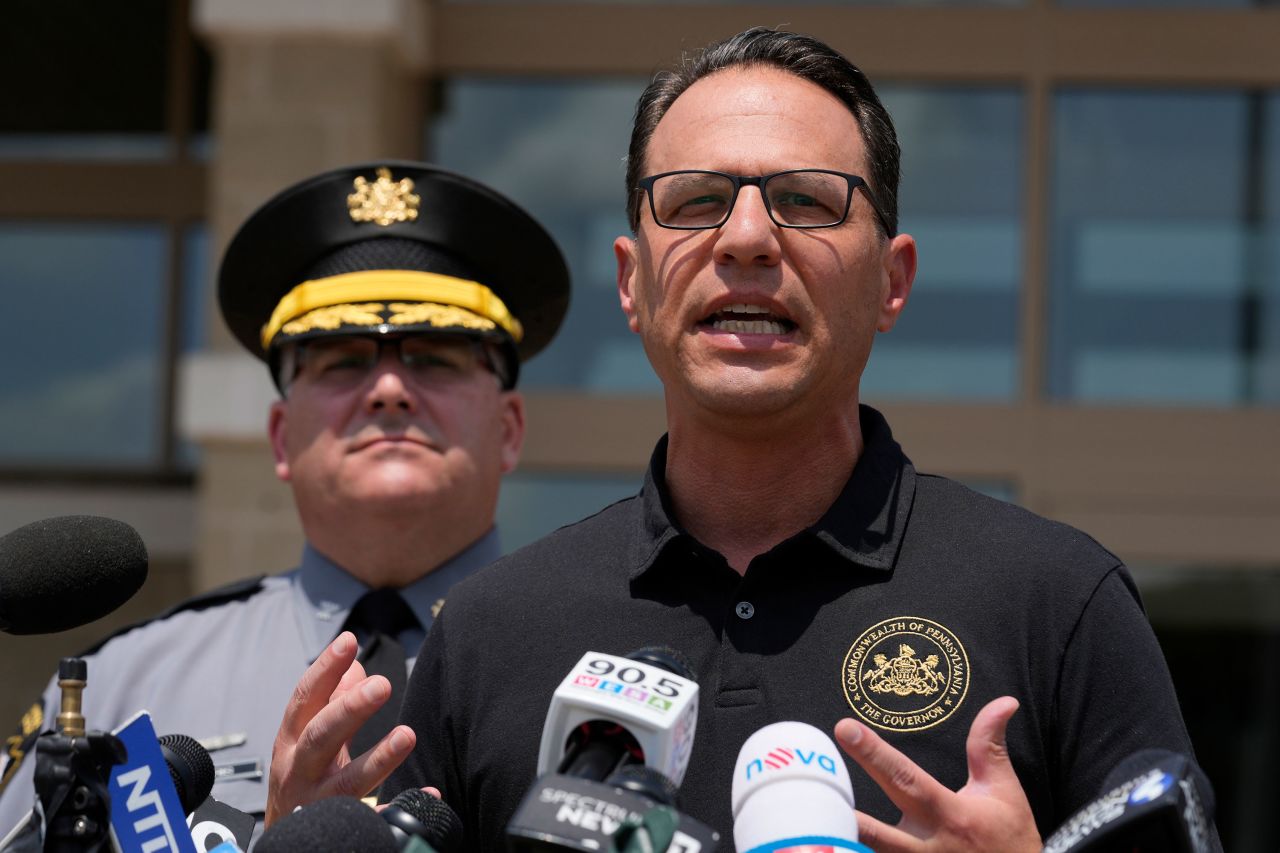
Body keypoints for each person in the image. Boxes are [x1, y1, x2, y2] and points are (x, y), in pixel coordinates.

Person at [266, 31, 1216, 853]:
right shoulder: (489, 632)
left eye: (807, 200)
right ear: (632, 283)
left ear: (893, 279)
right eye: (694, 200)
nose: (748, 238)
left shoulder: (1056, 600)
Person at [0, 161, 569, 835]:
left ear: (510, 430)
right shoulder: (123, 683)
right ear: (279, 437)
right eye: (341, 360)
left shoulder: (598, 668)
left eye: (436, 356)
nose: (389, 389)